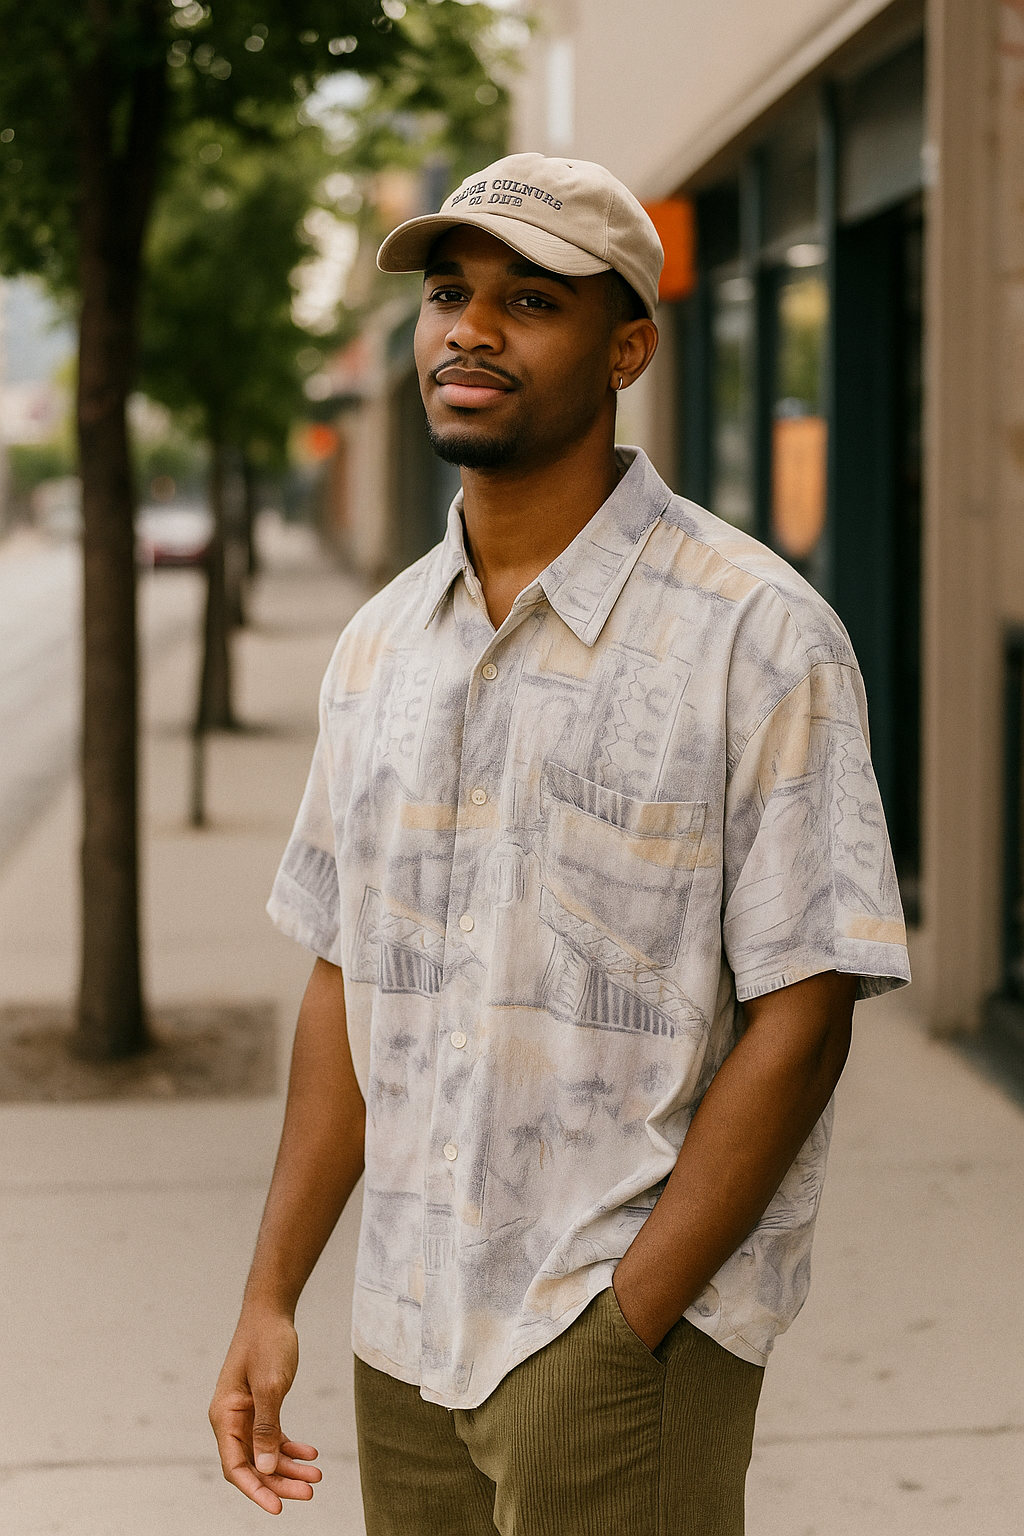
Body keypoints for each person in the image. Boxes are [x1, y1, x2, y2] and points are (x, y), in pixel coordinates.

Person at [209, 152, 910, 1534]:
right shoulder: (379, 649)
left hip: (614, 1332)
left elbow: (808, 1007)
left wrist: (632, 1318)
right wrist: (273, 1290)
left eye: (530, 300)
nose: (469, 327)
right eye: (451, 293)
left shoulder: (755, 635)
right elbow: (349, 978)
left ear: (627, 349)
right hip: (405, 1332)